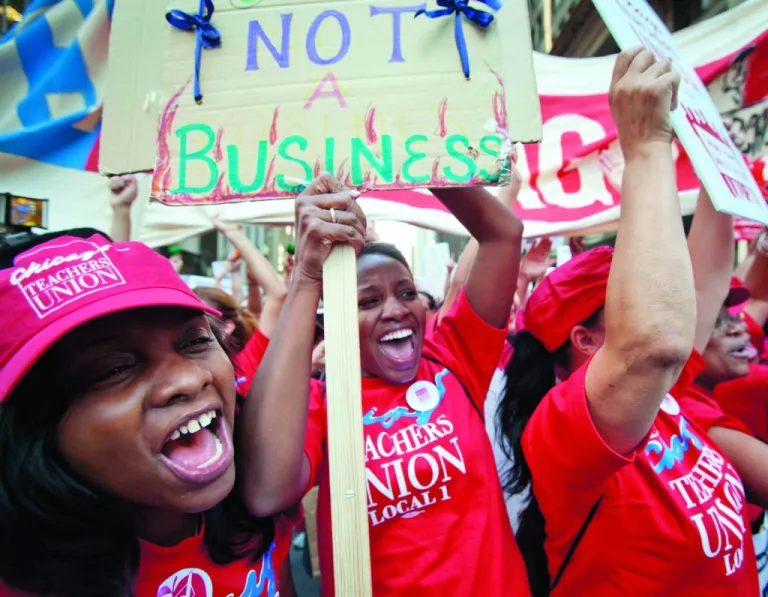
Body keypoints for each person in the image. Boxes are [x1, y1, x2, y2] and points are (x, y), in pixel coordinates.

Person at [499, 48, 758, 596]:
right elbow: (652, 344)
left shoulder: (668, 399)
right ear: (586, 339)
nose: (664, 296)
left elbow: (706, 274)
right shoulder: (564, 430)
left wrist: (714, 146)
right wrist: (645, 149)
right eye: (629, 294)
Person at [240, 166, 530, 596]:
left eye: (406, 292)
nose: (396, 310)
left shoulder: (452, 359)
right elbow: (265, 492)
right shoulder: (322, 404)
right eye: (368, 301)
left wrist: (425, 159)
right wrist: (306, 276)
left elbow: (502, 233)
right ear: (333, 320)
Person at [0, 234, 295, 597]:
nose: (189, 378)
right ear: (32, 427)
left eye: (195, 341)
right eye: (115, 369)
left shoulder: (254, 504)